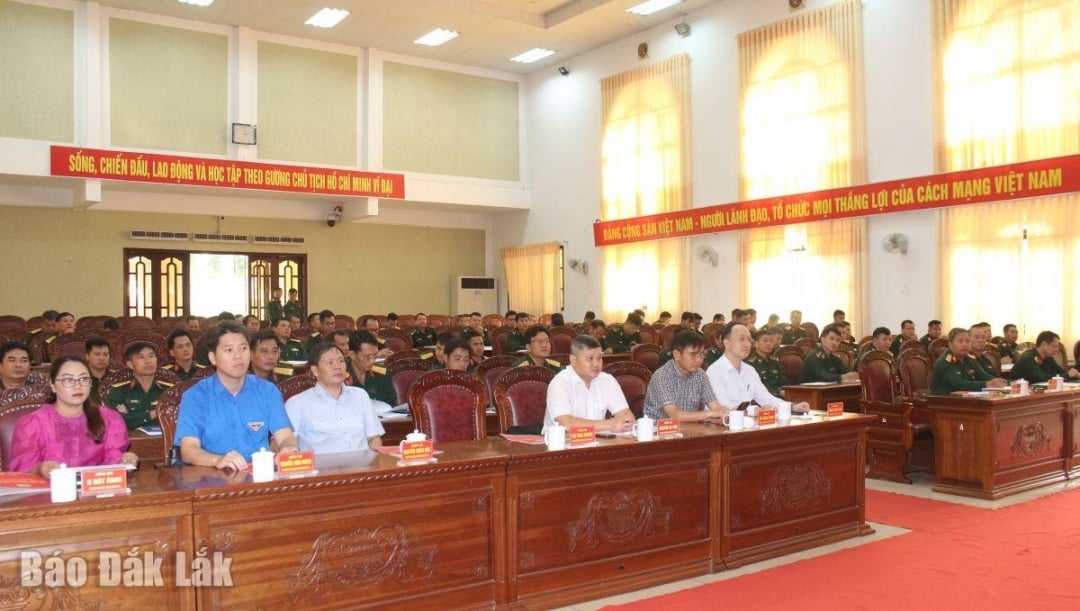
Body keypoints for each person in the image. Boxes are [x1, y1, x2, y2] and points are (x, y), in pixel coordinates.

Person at [175, 321, 299, 470]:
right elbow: (188, 450)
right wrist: (218, 460)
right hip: (213, 477)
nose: (238, 356)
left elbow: (285, 437)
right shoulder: (195, 396)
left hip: (259, 476)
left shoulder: (267, 391)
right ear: (213, 357)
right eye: (228, 350)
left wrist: (289, 449)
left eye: (243, 348)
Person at [9, 356, 136, 476]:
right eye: (68, 380)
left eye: (84, 379)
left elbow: (113, 456)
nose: (78, 385)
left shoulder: (109, 418)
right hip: (50, 492)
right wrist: (40, 469)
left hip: (96, 491)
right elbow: (22, 467)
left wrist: (123, 461)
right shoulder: (33, 424)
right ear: (53, 385)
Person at [285, 343, 384, 453]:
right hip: (321, 468)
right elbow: (286, 441)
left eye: (341, 361)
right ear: (315, 370)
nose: (337, 366)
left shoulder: (360, 395)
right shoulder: (297, 403)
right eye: (330, 362)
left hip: (363, 467)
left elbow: (374, 438)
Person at [707, 323, 809, 414]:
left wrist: (792, 407)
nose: (747, 344)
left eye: (749, 340)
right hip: (721, 427)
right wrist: (753, 410)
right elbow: (724, 407)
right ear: (727, 343)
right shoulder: (715, 371)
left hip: (747, 425)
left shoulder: (749, 370)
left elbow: (766, 398)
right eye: (741, 339)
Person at [544, 335, 633, 434]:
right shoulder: (560, 383)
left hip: (598, 443)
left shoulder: (607, 380)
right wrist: (609, 424)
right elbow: (566, 423)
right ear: (573, 360)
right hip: (562, 445)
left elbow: (625, 415)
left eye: (599, 358)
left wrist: (626, 421)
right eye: (590, 358)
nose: (596, 364)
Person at [643, 330, 725, 422]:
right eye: (693, 354)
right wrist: (708, 414)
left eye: (702, 353)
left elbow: (714, 405)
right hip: (659, 432)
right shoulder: (662, 376)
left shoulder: (700, 374)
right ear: (677, 354)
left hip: (690, 430)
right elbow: (674, 416)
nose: (699, 360)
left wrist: (722, 412)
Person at [105, 341, 175, 430]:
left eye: (151, 356)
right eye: (141, 357)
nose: (148, 361)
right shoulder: (119, 391)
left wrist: (131, 417)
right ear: (130, 364)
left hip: (164, 441)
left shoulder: (170, 390)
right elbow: (116, 422)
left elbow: (175, 418)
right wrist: (155, 413)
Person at [931, 327, 1007, 394]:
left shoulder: (969, 358)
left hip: (965, 398)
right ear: (950, 344)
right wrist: (987, 384)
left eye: (967, 341)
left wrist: (1005, 382)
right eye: (960, 341)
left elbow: (983, 376)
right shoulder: (944, 362)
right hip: (944, 401)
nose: (965, 344)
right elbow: (960, 384)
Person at [347, 329, 397, 407]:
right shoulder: (340, 376)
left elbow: (390, 404)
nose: (372, 361)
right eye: (367, 357)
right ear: (352, 355)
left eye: (375, 355)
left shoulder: (381, 373)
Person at [1009, 331, 1080, 382]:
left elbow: (1060, 372)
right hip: (1016, 391)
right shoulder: (1029, 357)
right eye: (1055, 346)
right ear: (1044, 344)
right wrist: (1068, 375)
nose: (1057, 350)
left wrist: (1074, 375)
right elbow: (1041, 378)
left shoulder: (1048, 358)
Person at [745, 327, 786, 397]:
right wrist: (779, 392)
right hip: (761, 399)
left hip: (780, 397)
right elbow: (755, 388)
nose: (769, 344)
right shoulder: (750, 363)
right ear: (756, 344)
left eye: (771, 341)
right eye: (765, 341)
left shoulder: (775, 361)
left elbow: (783, 382)